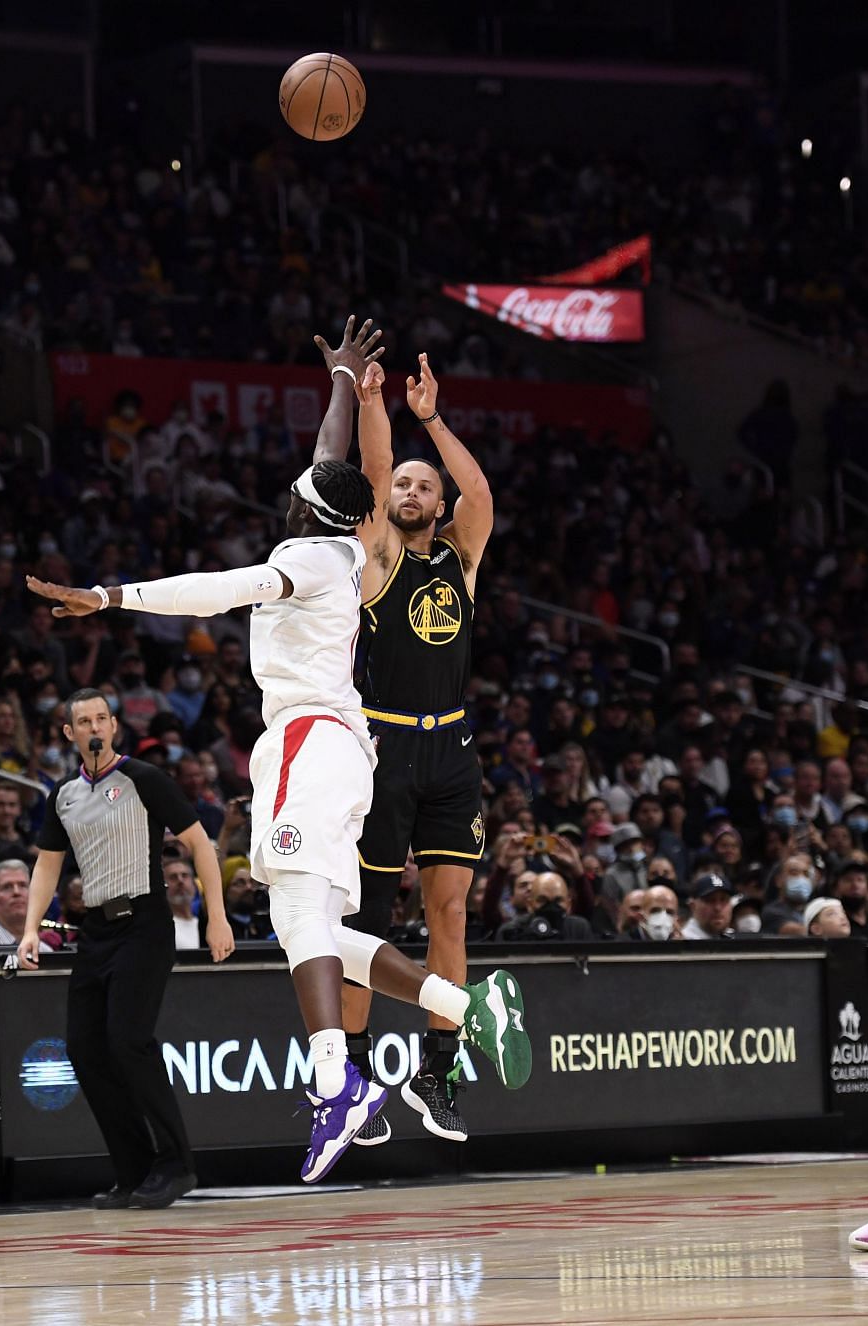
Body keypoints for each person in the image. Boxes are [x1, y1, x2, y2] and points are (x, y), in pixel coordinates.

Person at [27, 345, 531, 1185]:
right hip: (354, 749)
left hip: (311, 742)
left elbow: (213, 588)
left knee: (303, 929)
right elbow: (336, 456)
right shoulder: (341, 550)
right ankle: (461, 1008)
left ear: (305, 509)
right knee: (327, 932)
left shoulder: (305, 558)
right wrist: (342, 379)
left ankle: (338, 1085)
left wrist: (112, 598)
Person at [320, 329, 496, 1146]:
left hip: (453, 750)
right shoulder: (381, 557)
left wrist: (436, 421)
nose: (415, 487)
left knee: (451, 916)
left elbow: (481, 491)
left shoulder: (461, 560)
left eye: (427, 484)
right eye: (406, 483)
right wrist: (375, 402)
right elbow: (379, 458)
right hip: (382, 746)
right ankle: (352, 1073)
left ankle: (438, 1070)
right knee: (369, 924)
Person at [14, 692, 232, 1207]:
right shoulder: (63, 794)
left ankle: (177, 1165)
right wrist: (28, 930)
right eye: (82, 721)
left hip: (144, 924)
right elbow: (47, 865)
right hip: (96, 929)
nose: (93, 727)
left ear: (113, 726)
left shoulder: (145, 779)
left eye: (100, 719)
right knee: (85, 1050)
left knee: (128, 1040)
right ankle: (134, 1171)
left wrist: (215, 917)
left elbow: (200, 843)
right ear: (68, 734)